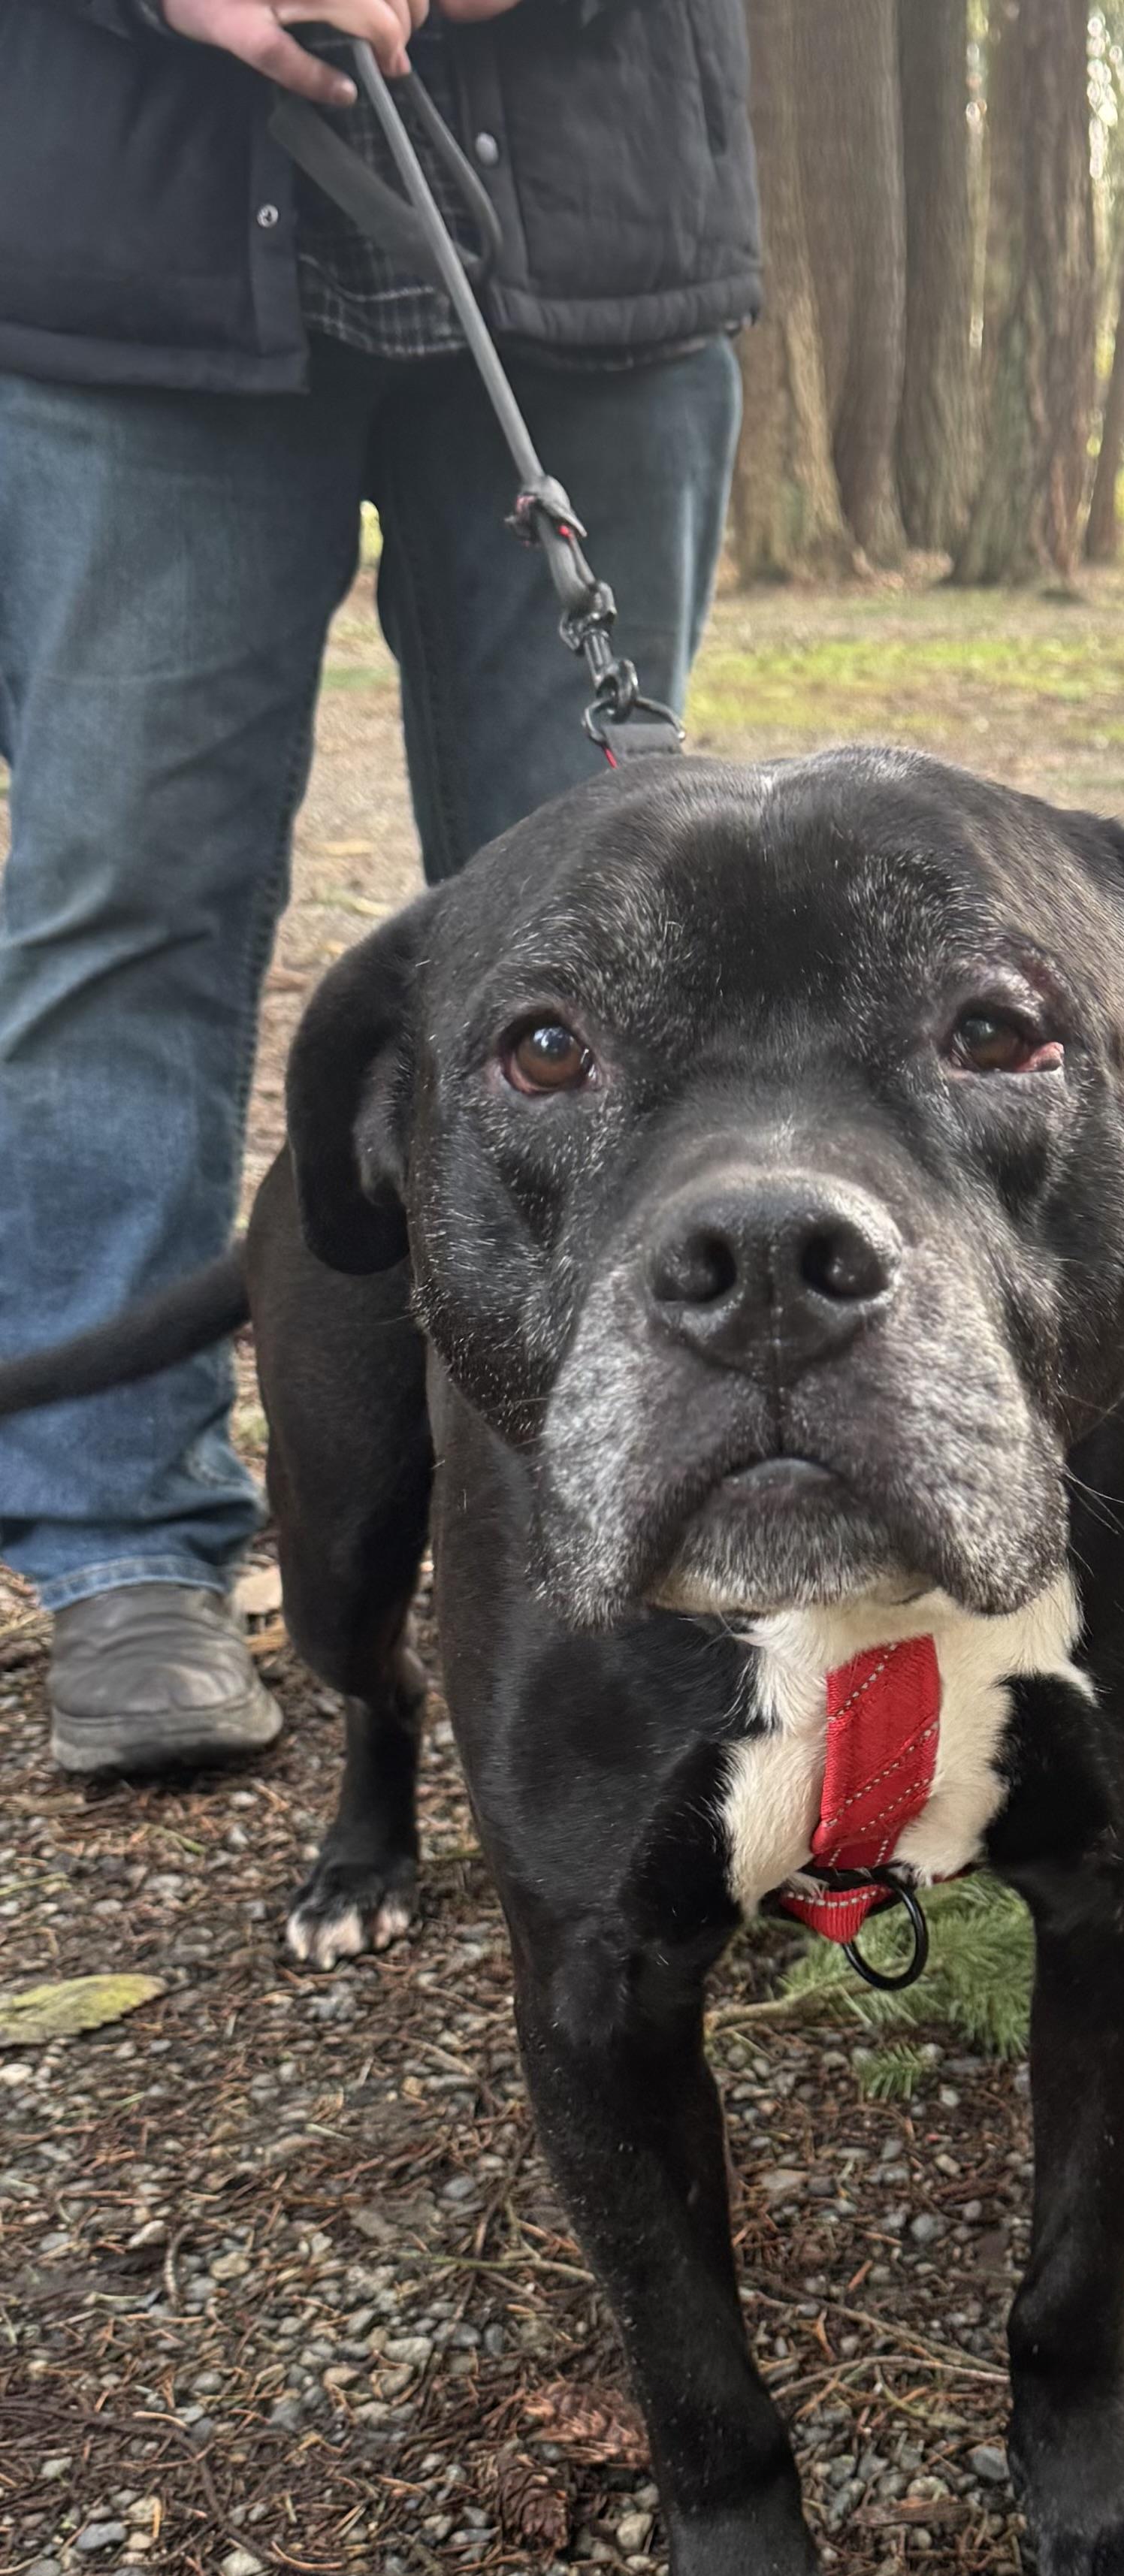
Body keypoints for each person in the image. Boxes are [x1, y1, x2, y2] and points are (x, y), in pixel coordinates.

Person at [0, 0, 759, 1774]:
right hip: (127, 266)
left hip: (595, 248)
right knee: (124, 906)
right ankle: (120, 1540)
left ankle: (646, 1485)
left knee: (624, 948)